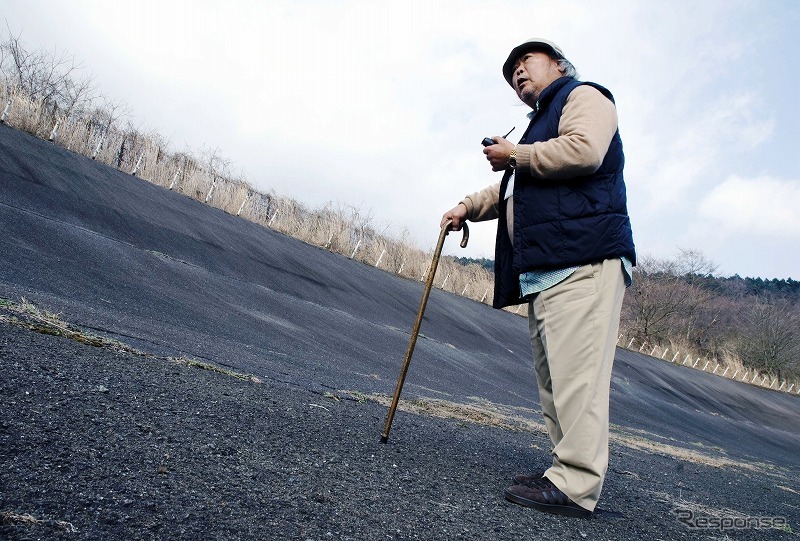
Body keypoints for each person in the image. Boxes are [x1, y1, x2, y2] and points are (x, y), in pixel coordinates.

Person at [440, 38, 636, 518]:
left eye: (527, 62)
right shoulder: (535, 132)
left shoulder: (585, 96)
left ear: (559, 64)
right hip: (549, 269)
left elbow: (585, 150)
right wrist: (466, 207)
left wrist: (517, 156)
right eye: (512, 73)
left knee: (578, 380)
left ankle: (576, 485)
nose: (518, 74)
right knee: (556, 381)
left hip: (584, 259)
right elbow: (510, 187)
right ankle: (563, 470)